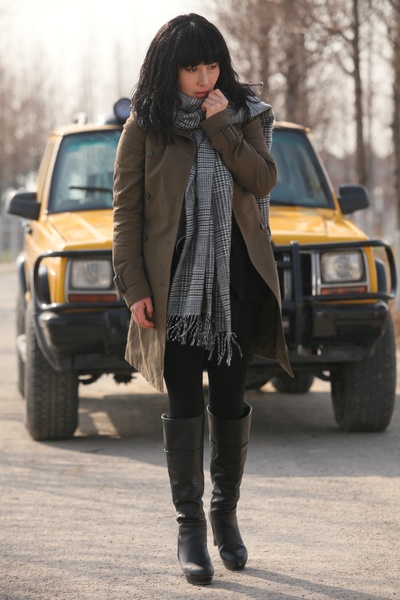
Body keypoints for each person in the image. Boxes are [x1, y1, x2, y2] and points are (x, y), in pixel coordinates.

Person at [112, 13, 292, 586]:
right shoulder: (145, 126)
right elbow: (127, 212)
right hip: (174, 291)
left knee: (231, 403)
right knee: (186, 404)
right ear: (169, 69)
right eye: (192, 67)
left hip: (236, 285)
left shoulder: (246, 115)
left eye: (212, 66)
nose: (204, 78)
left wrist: (220, 127)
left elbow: (262, 180)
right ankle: (190, 527)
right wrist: (134, 288)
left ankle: (224, 516)